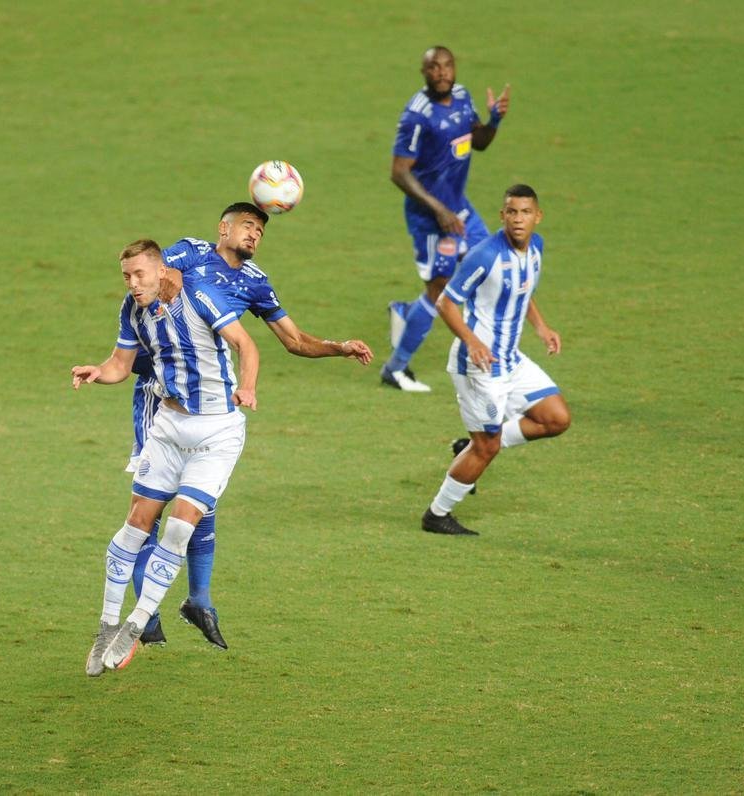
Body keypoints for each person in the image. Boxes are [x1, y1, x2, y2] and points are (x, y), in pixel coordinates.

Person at [127, 202, 373, 650]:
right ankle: (146, 614)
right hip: (161, 395)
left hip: (213, 406)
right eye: (247, 225)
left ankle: (198, 600)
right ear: (224, 228)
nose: (255, 233)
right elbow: (144, 278)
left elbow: (294, 341)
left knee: (200, 502)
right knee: (154, 506)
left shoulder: (255, 283)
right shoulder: (192, 252)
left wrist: (340, 347)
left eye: (260, 229)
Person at [72, 239, 260, 675]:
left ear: (160, 270)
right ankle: (106, 627)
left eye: (139, 274)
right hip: (168, 427)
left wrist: (247, 386)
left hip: (217, 431)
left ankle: (137, 624)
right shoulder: (132, 309)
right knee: (135, 525)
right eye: (126, 276)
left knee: (178, 527)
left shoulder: (199, 295)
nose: (133, 284)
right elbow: (122, 364)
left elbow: (246, 345)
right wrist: (100, 372)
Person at [421, 185, 571, 536]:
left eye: (525, 212)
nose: (519, 219)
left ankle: (470, 447)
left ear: (538, 216)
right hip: (479, 365)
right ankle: (436, 514)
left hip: (510, 360)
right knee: (486, 448)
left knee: (556, 418)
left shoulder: (536, 248)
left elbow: (524, 291)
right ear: (502, 216)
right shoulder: (485, 255)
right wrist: (471, 341)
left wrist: (542, 327)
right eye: (512, 212)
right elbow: (446, 302)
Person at [381, 45, 511, 393]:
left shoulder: (463, 97)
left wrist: (494, 119)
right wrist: (438, 210)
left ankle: (405, 314)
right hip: (431, 219)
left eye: (447, 66)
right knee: (440, 295)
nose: (441, 72)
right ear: (423, 73)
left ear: (455, 68)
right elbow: (398, 172)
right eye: (433, 67)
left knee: (490, 267)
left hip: (459, 209)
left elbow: (478, 141)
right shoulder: (416, 116)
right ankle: (395, 369)